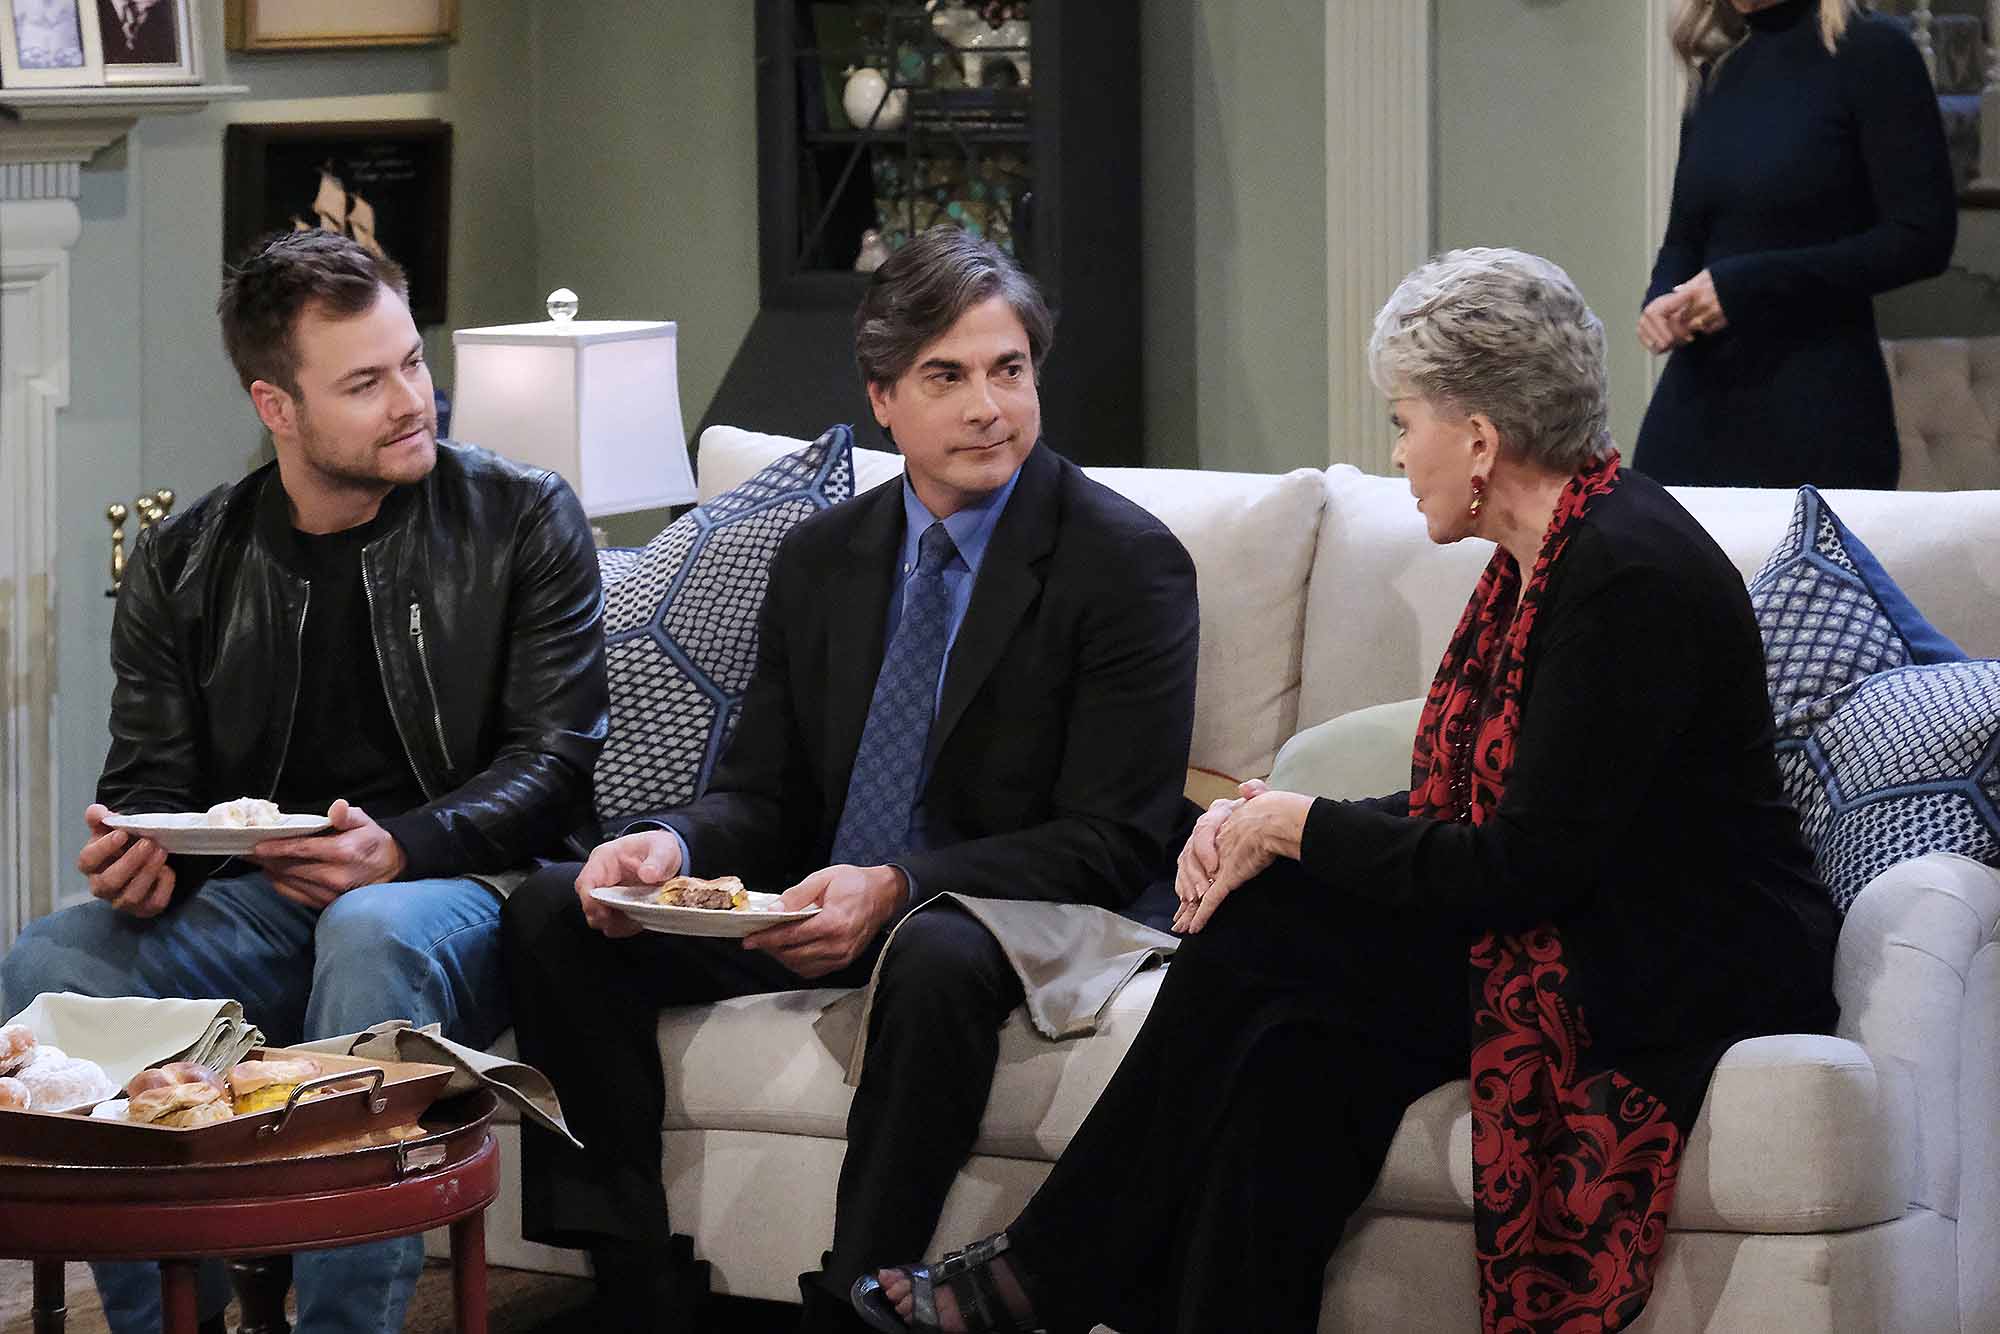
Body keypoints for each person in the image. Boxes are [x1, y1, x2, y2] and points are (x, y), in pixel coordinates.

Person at [853, 248, 1843, 1334]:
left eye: (1404, 420)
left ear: (1478, 438)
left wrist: (1298, 831)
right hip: (1588, 912)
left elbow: (1523, 863)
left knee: (1271, 921)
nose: (1397, 453)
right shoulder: (1546, 555)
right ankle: (1104, 1284)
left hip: (1683, 956)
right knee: (1295, 1063)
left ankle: (1048, 1269)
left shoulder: (1625, 574)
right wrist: (1261, 822)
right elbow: (1466, 806)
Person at [502, 225, 1199, 1333]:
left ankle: (861, 1297)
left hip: (1015, 904)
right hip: (827, 894)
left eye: (1009, 370)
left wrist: (897, 884)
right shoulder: (823, 556)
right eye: (947, 376)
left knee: (931, 950)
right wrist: (674, 846)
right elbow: (766, 793)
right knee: (556, 909)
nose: (988, 407)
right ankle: (633, 1279)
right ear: (883, 399)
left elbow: (1110, 837)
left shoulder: (1123, 561)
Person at [0, 231, 608, 1334]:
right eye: (366, 383)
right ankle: (171, 1315)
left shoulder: (522, 516)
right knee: (51, 956)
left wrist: (403, 846)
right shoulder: (186, 561)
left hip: (474, 887)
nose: (412, 400)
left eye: (412, 361)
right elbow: (150, 781)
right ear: (275, 406)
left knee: (369, 929)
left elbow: (555, 762)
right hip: (269, 903)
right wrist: (140, 860)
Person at [1633, 0, 1955, 489]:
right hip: (1694, 407)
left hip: (1819, 409)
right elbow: (1685, 237)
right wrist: (1661, 298)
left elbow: (1922, 238)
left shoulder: (1874, 52)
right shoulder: (1719, 70)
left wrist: (1749, 284)